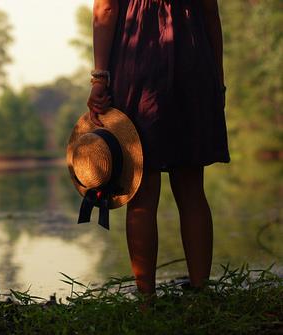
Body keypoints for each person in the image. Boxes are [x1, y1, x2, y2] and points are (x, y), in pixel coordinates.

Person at [87, 0, 230, 294]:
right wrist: (217, 79)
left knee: (141, 192)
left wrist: (100, 77)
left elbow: (106, 9)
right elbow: (209, 11)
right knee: (192, 189)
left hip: (138, 61)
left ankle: (146, 302)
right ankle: (201, 293)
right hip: (192, 59)